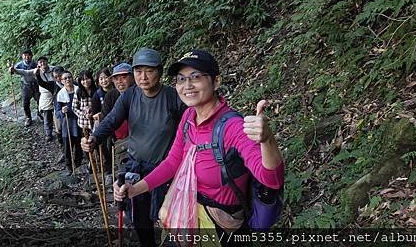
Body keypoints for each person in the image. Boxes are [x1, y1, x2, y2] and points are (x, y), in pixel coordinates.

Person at [114, 50, 284, 243]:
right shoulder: (188, 118)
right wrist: (135, 189)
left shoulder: (232, 127)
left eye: (196, 77)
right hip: (189, 216)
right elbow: (172, 163)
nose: (187, 85)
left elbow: (271, 180)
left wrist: (267, 140)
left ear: (216, 81)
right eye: (181, 79)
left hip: (222, 228)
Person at [81, 48, 187, 247]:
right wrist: (94, 138)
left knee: (168, 218)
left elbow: (192, 129)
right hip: (135, 168)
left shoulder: (174, 98)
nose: (143, 77)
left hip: (165, 172)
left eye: (149, 71)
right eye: (138, 71)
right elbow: (111, 120)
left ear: (160, 72)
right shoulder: (129, 96)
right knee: (139, 218)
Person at [11, 56, 57, 141]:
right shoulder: (36, 71)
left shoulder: (54, 69)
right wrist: (14, 70)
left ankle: (59, 132)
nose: (43, 64)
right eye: (40, 62)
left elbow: (62, 73)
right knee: (47, 115)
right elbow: (25, 72)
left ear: (47, 62)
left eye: (44, 61)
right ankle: (48, 133)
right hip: (45, 95)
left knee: (58, 114)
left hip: (56, 94)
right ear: (38, 64)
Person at [55, 71, 83, 175]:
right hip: (67, 123)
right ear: (61, 81)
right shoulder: (60, 94)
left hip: (78, 121)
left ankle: (78, 164)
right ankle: (69, 166)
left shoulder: (79, 90)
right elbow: (57, 112)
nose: (68, 80)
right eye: (65, 78)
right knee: (68, 146)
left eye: (69, 77)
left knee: (79, 144)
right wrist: (62, 111)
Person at [91, 67, 114, 177]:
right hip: (105, 124)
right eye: (101, 79)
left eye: (106, 78)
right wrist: (98, 115)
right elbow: (94, 112)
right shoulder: (97, 95)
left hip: (119, 123)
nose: (104, 81)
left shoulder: (117, 90)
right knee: (106, 147)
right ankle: (109, 169)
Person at [14, 50, 40, 127]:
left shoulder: (35, 64)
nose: (27, 57)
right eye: (25, 55)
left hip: (35, 85)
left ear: (31, 56)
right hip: (25, 85)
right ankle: (28, 117)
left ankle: (40, 114)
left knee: (39, 101)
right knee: (25, 103)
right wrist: (11, 69)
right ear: (22, 56)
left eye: (28, 55)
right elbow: (13, 70)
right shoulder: (19, 64)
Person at [52, 66, 66, 145]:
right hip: (58, 108)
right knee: (59, 127)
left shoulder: (71, 82)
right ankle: (61, 143)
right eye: (55, 77)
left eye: (60, 76)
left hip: (70, 107)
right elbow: (42, 83)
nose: (58, 78)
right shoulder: (53, 85)